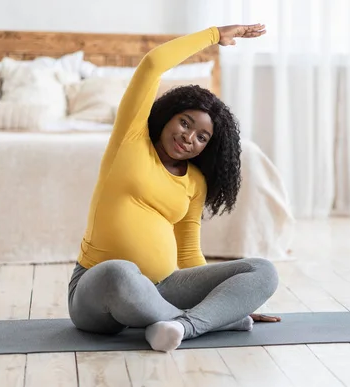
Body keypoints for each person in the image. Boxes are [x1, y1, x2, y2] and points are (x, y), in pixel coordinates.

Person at [67, 24, 281, 353]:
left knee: (262, 270)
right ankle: (206, 322)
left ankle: (178, 326)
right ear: (168, 117)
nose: (188, 137)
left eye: (201, 137)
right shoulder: (131, 139)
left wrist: (224, 297)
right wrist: (213, 36)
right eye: (185, 123)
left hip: (166, 288)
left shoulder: (194, 181)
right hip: (98, 290)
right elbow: (153, 64)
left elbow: (187, 253)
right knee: (121, 272)